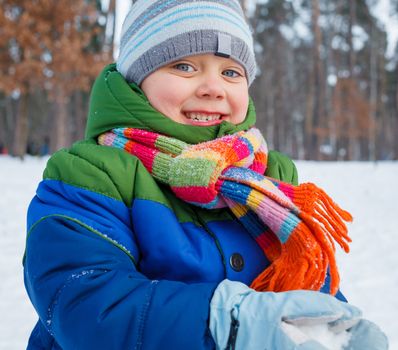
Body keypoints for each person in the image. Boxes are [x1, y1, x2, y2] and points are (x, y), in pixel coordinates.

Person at [23, 1, 387, 349]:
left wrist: (333, 328)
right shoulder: (90, 172)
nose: (213, 88)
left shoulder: (270, 177)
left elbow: (304, 281)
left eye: (231, 72)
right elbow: (85, 303)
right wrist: (223, 323)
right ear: (137, 79)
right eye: (184, 66)